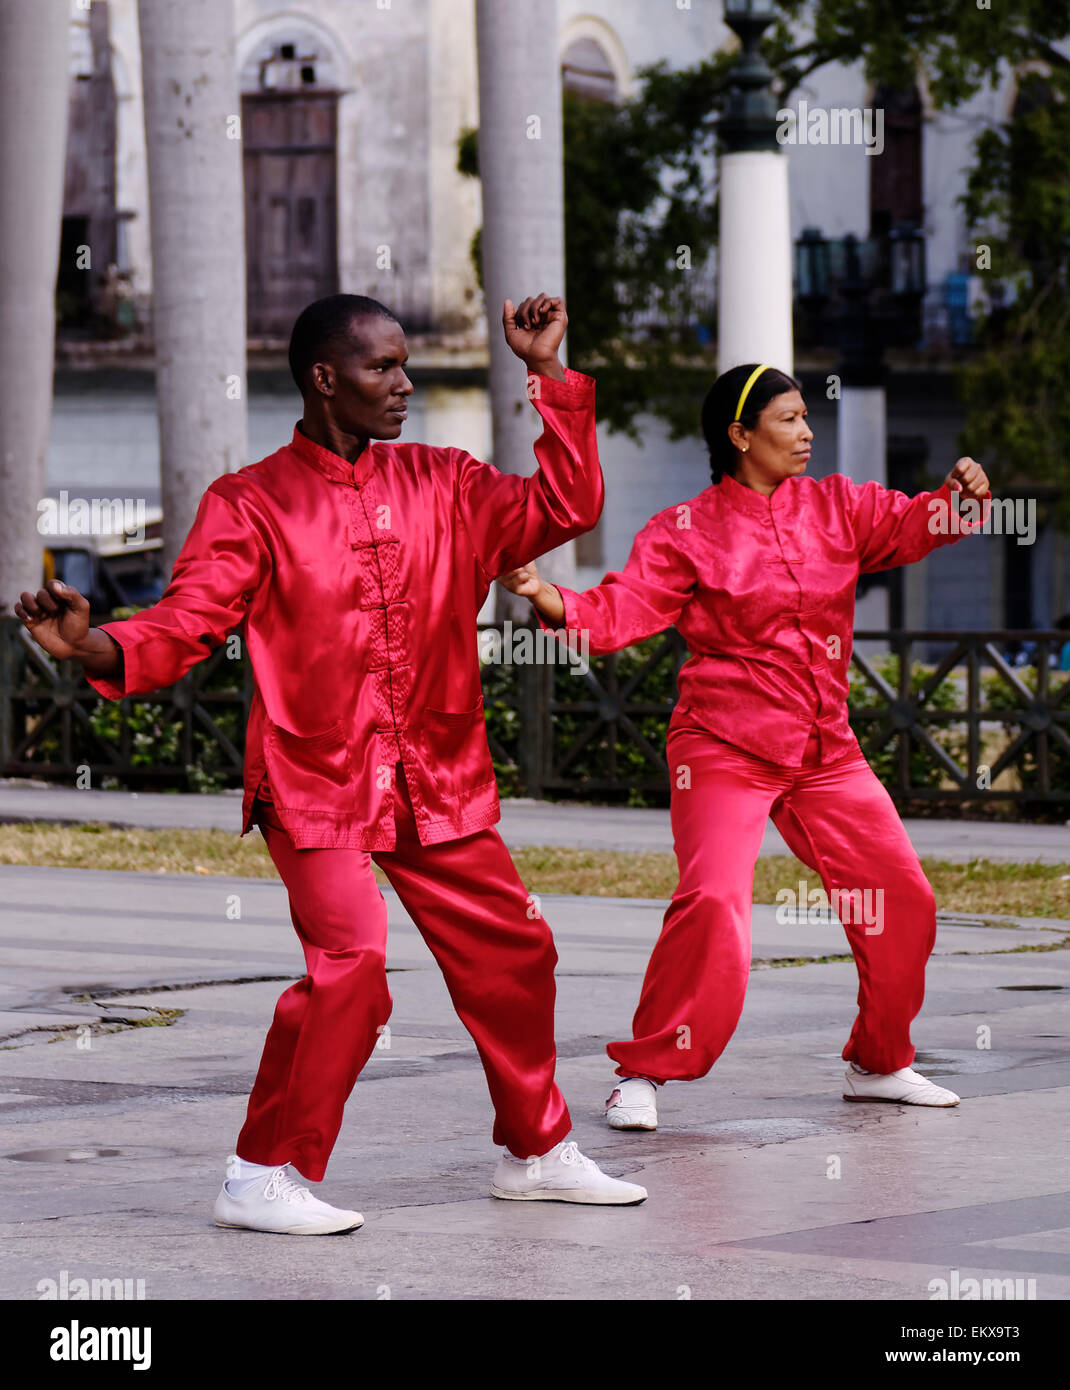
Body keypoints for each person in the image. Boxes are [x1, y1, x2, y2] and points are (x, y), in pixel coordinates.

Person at [14, 291, 647, 1234]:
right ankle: (260, 1174)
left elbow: (569, 503)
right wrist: (94, 644)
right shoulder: (250, 503)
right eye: (382, 368)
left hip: (439, 774)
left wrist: (549, 375)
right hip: (317, 780)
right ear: (324, 379)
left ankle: (537, 1150)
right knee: (352, 969)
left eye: (404, 366)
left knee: (517, 950)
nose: (405, 385)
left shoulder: (449, 482)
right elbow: (186, 626)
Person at [500, 362, 991, 1132]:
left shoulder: (838, 505)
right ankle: (645, 1069)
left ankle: (879, 1061)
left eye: (805, 417)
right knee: (716, 904)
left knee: (904, 901)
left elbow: (909, 526)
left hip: (825, 746)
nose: (806, 432)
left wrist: (957, 503)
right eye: (789, 419)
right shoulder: (684, 530)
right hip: (723, 744)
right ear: (739, 434)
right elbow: (626, 607)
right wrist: (549, 598)